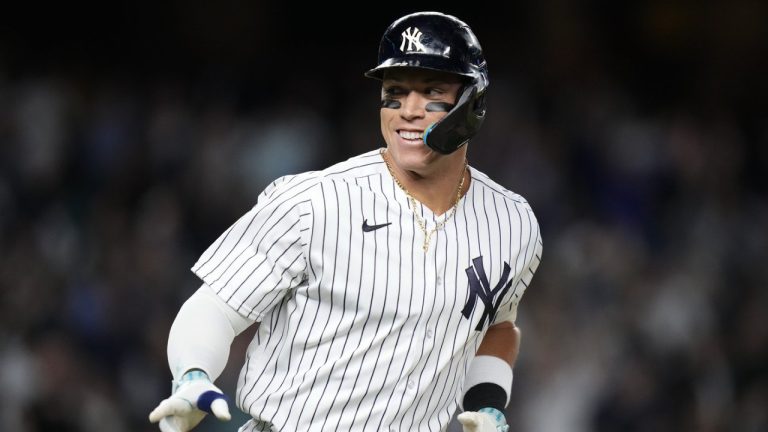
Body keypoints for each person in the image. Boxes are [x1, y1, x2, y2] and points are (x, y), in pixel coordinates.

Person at [149, 11, 542, 432]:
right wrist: (192, 374)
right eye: (394, 92)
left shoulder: (513, 222)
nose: (407, 110)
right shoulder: (313, 201)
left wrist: (488, 403)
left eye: (431, 91)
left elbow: (498, 326)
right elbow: (216, 307)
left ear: (473, 104)